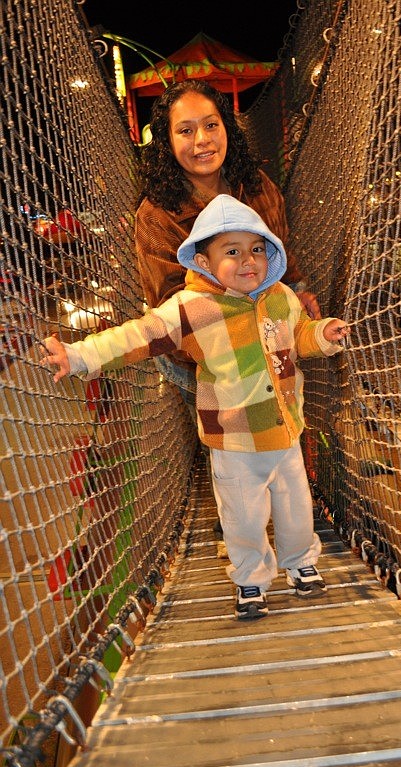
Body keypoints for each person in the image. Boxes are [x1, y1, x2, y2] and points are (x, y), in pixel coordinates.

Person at [42, 195, 347, 621]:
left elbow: (299, 336)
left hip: (286, 429)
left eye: (257, 249)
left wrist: (324, 335)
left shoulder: (280, 298)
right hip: (234, 439)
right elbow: (138, 336)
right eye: (232, 251)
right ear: (204, 259)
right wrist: (79, 357)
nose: (248, 261)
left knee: (297, 506)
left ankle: (300, 562)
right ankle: (251, 581)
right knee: (242, 517)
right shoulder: (191, 308)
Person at [135, 79, 322, 554]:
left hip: (267, 325)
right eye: (185, 130)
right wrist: (237, 322)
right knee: (233, 423)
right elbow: (169, 301)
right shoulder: (157, 213)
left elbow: (282, 257)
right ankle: (239, 523)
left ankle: (294, 503)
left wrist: (300, 293)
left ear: (227, 129)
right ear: (167, 140)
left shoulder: (257, 186)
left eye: (211, 125)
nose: (201, 141)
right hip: (203, 343)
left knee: (283, 395)